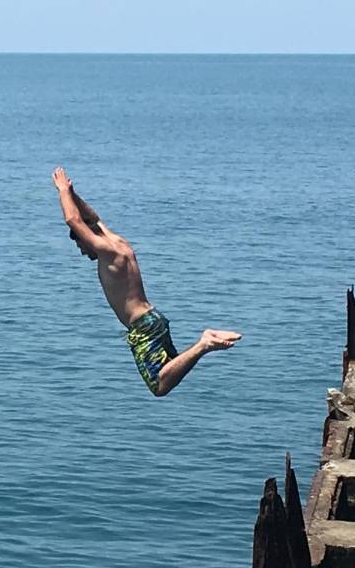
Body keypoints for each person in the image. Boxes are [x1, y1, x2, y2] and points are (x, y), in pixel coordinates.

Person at [51, 167, 241, 397]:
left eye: (80, 245)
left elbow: (73, 219)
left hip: (142, 327)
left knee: (158, 387)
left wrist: (62, 190)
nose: (82, 252)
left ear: (86, 239)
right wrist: (73, 194)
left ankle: (205, 343)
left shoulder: (106, 250)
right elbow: (93, 217)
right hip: (153, 319)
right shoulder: (118, 242)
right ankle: (204, 343)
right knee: (172, 368)